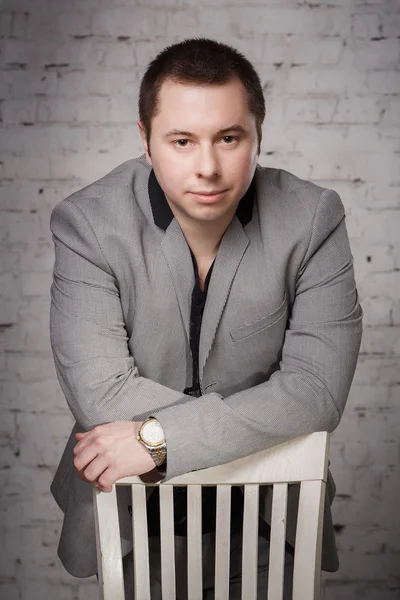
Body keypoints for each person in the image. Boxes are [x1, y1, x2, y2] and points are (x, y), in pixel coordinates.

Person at [49, 37, 363, 599]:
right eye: (182, 140)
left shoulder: (313, 218)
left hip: (270, 516)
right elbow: (99, 394)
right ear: (146, 141)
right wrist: (267, 412)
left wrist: (157, 436)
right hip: (130, 515)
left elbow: (318, 390)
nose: (208, 167)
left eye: (228, 138)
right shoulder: (87, 223)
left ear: (257, 136)